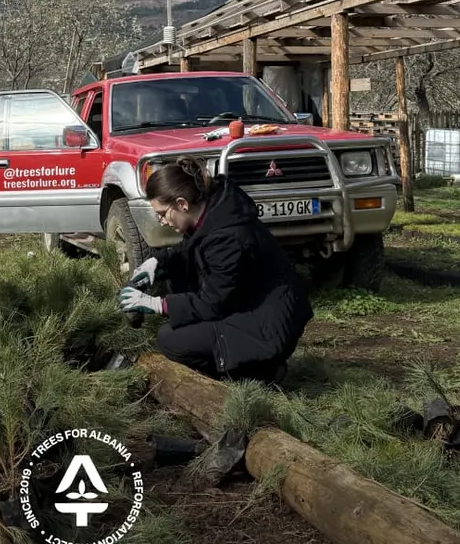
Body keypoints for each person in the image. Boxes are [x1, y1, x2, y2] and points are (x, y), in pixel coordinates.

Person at [117, 156, 313, 384]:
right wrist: (157, 264)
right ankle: (245, 363)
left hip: (268, 325)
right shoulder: (214, 212)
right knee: (178, 286)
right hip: (249, 305)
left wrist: (156, 304)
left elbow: (211, 304)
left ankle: (257, 374)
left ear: (182, 204)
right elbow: (190, 250)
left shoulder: (229, 237)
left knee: (170, 339)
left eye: (162, 214)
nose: (162, 221)